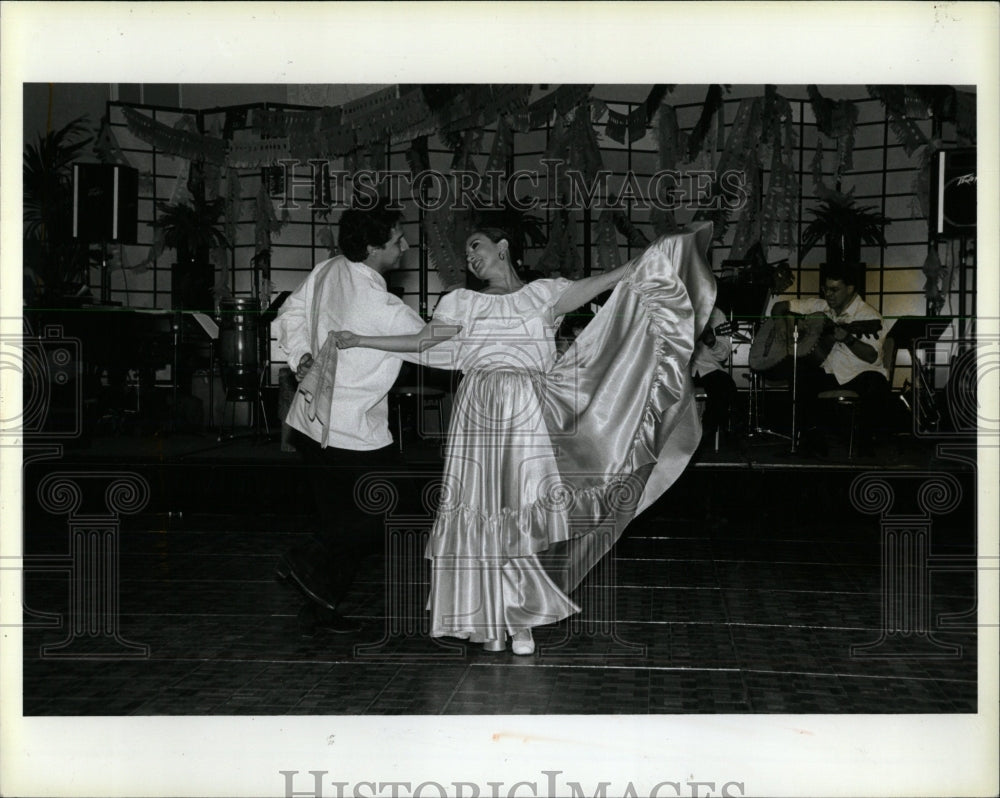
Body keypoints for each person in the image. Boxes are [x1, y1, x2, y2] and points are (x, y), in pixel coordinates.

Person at [335, 223, 716, 655]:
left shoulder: (544, 294)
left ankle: (519, 621)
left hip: (527, 415)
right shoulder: (460, 301)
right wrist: (361, 340)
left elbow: (617, 278)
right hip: (477, 412)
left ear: (503, 246)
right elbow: (422, 342)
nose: (470, 256)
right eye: (466, 252)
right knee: (479, 510)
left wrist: (659, 251)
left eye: (475, 245)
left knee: (519, 511)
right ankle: (485, 621)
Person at [273, 199, 425, 636]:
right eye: (398, 239)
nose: (406, 246)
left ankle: (320, 609)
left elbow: (291, 313)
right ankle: (308, 556)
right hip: (351, 429)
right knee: (400, 509)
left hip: (310, 423)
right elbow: (435, 345)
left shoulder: (329, 269)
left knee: (342, 517)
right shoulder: (382, 304)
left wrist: (300, 355)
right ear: (375, 247)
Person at [770, 265, 891, 456]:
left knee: (875, 385)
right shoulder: (822, 307)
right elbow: (780, 306)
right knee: (799, 374)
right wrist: (781, 325)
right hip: (830, 371)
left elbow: (871, 356)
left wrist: (848, 338)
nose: (829, 295)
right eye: (826, 289)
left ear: (850, 289)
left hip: (860, 373)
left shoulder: (869, 316)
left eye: (834, 290)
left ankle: (865, 447)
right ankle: (811, 441)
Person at [691, 306, 736, 447]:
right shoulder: (673, 304)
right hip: (676, 368)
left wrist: (713, 342)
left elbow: (723, 354)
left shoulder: (716, 314)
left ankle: (702, 435)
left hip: (707, 368)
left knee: (725, 385)